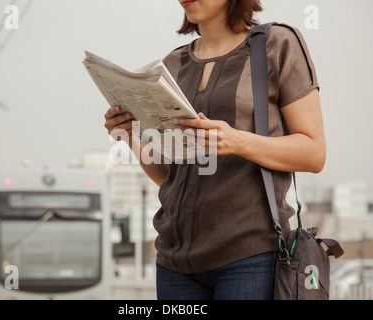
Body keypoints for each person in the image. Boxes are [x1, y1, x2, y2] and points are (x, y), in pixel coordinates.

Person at [103, 0, 325, 300]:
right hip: (173, 262)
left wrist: (238, 141)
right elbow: (169, 176)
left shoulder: (276, 45)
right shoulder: (171, 66)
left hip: (250, 256)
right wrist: (130, 135)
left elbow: (314, 152)